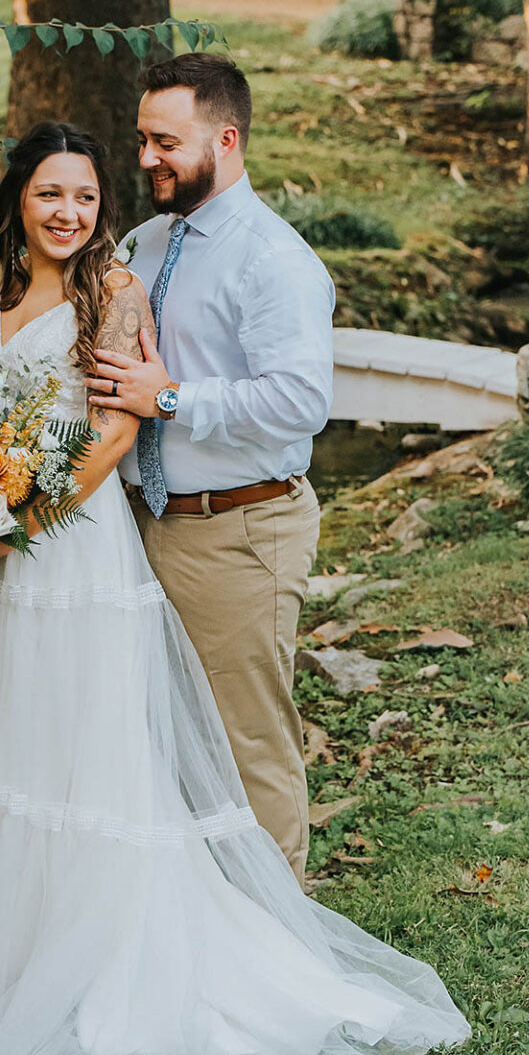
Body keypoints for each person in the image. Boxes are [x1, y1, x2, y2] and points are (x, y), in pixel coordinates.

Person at [0, 119, 470, 1055]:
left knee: (86, 745)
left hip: (74, 548)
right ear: (17, 197)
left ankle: (101, 957)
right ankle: (4, 959)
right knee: (9, 739)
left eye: (87, 198)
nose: (69, 213)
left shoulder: (114, 292)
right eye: (52, 194)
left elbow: (116, 424)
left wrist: (25, 518)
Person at [90, 53, 331, 888]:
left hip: (238, 529)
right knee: (157, 727)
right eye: (142, 139)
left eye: (166, 141)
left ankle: (279, 933)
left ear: (224, 139)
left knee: (245, 736)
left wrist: (170, 399)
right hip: (140, 526)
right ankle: (195, 913)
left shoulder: (275, 262)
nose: (147, 157)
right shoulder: (142, 244)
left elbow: (300, 404)